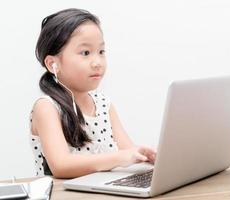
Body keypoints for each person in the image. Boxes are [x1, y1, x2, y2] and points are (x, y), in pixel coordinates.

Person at [29, 8, 156, 178]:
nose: (97, 62)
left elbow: (129, 152)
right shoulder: (47, 107)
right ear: (53, 64)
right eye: (85, 53)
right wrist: (119, 157)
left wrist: (145, 156)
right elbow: (61, 165)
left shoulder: (104, 104)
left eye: (101, 52)